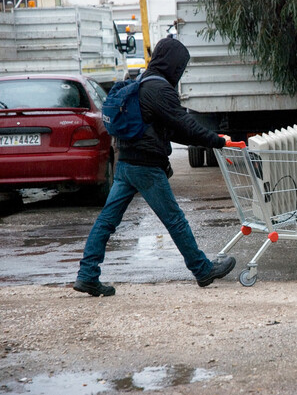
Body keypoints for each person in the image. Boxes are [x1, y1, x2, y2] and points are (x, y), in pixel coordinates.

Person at [73, 37, 235, 297]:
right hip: (145, 166)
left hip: (125, 163)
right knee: (175, 220)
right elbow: (185, 125)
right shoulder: (160, 90)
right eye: (180, 66)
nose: (180, 72)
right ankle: (202, 270)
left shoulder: (143, 83)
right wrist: (216, 140)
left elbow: (173, 130)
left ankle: (87, 275)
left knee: (106, 221)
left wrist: (212, 142)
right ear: (173, 64)